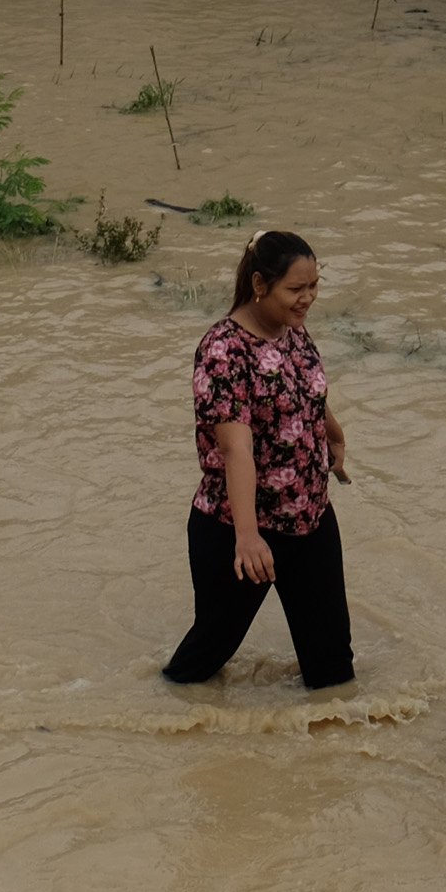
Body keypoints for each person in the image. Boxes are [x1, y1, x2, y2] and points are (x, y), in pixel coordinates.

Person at [164, 230, 355, 690]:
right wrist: (248, 538)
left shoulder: (291, 330)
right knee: (203, 662)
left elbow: (307, 388)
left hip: (310, 521)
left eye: (313, 286)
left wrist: (334, 436)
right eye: (296, 289)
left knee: (332, 669)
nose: (307, 298)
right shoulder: (223, 351)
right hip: (239, 530)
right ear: (259, 284)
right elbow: (236, 450)